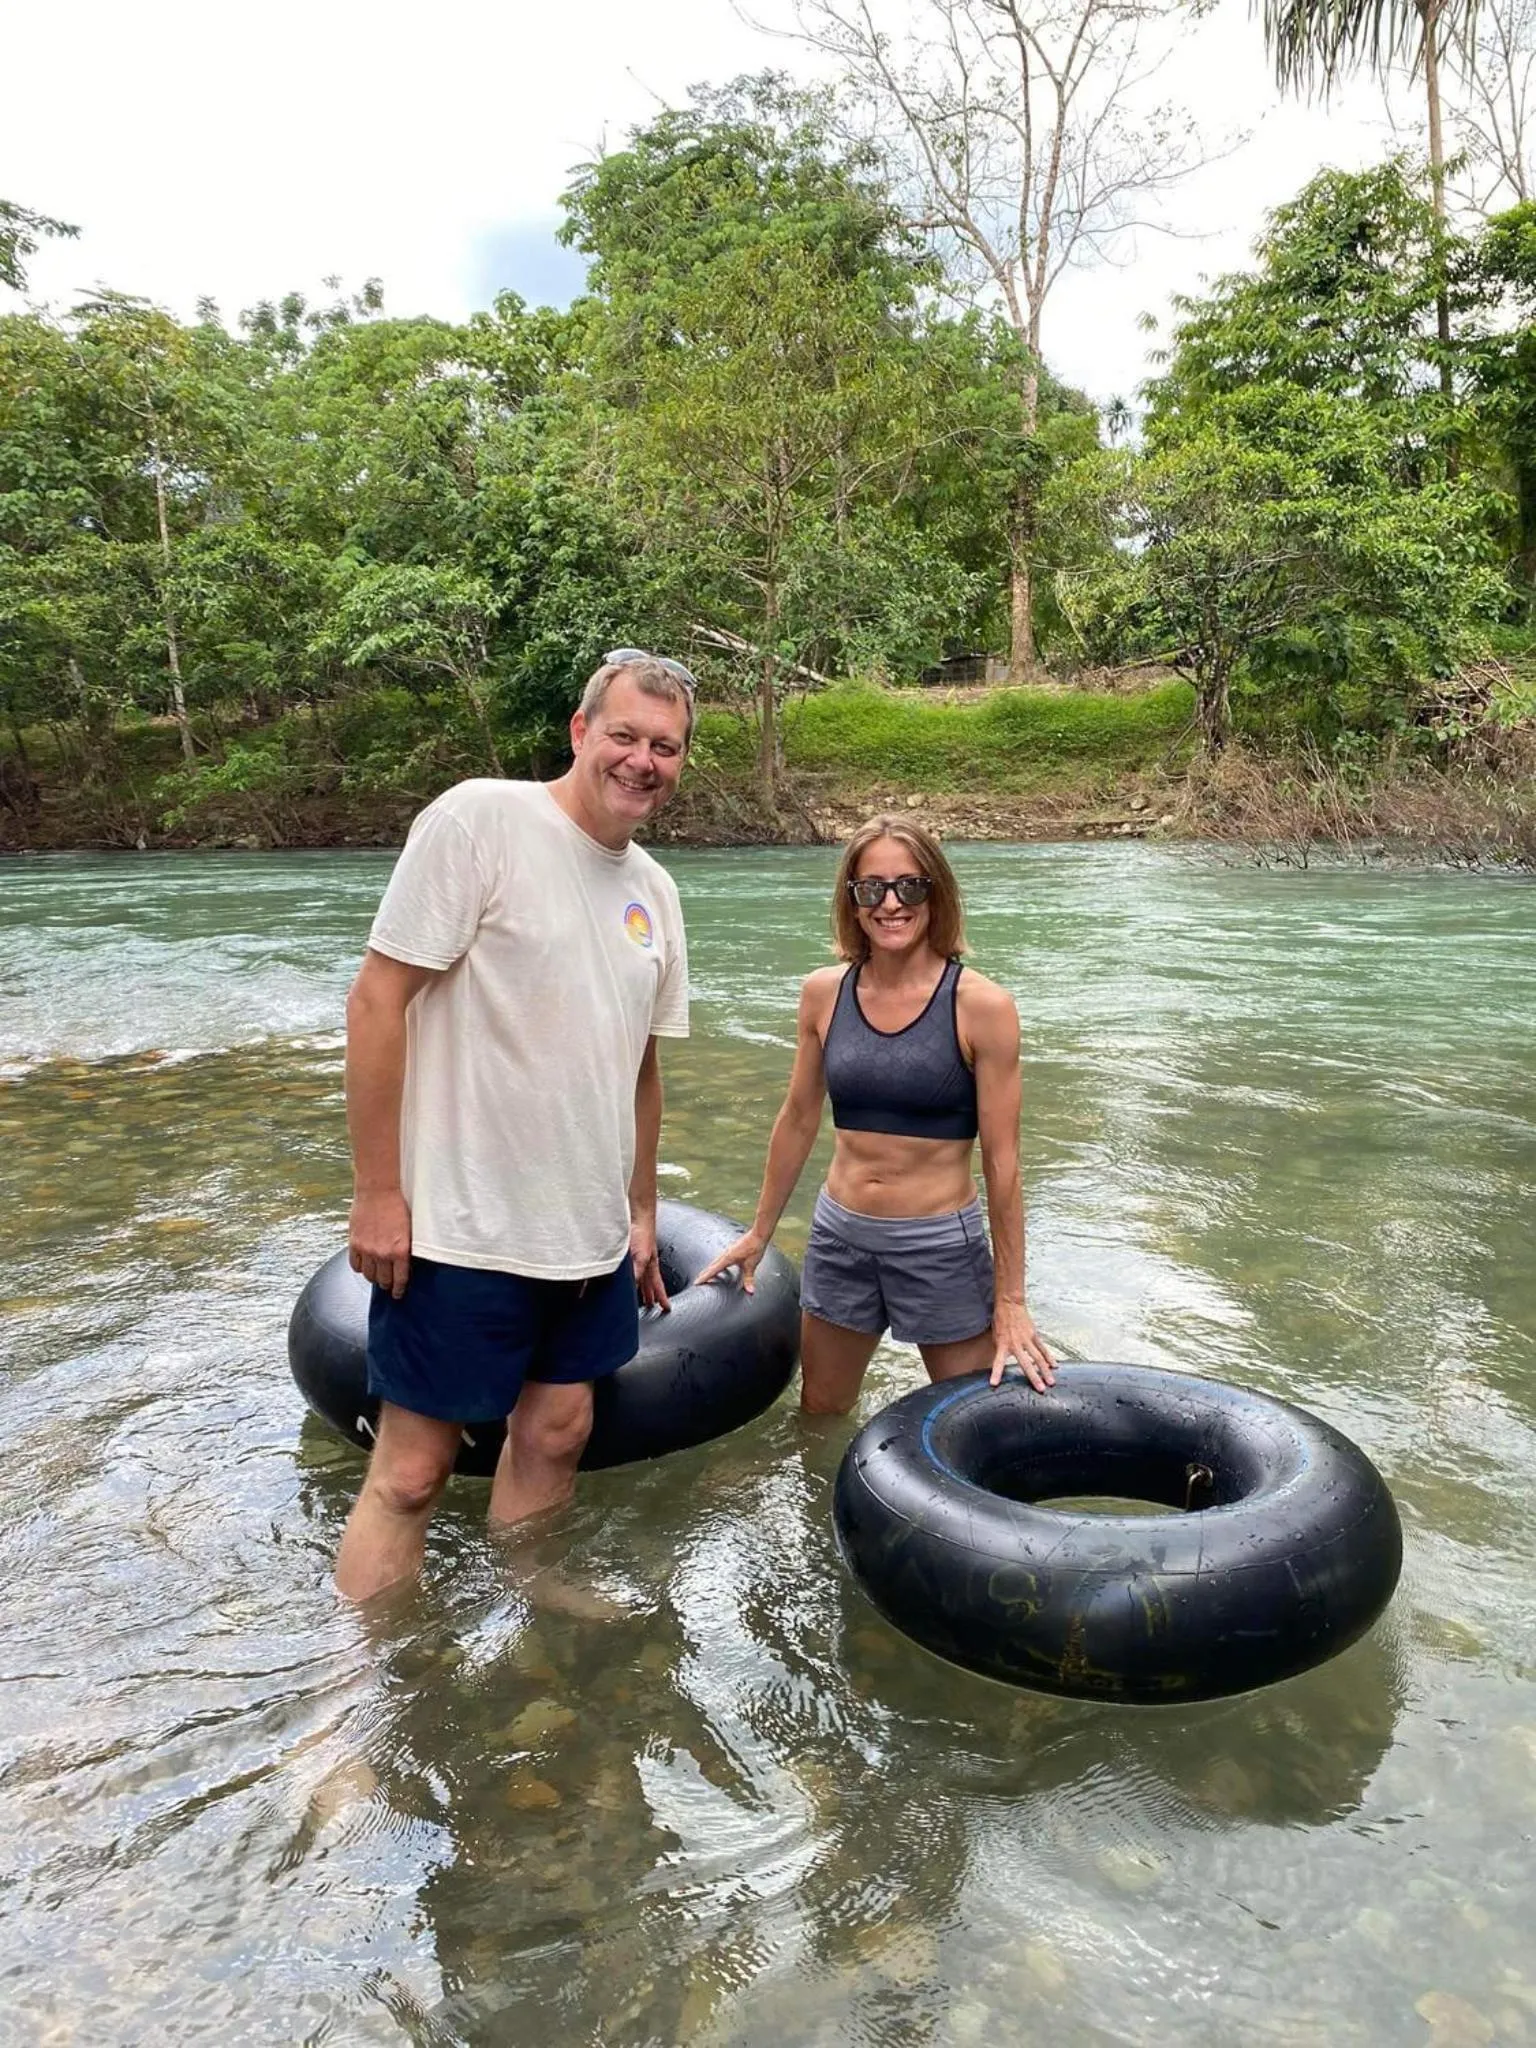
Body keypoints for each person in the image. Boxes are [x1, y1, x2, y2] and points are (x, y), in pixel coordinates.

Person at [333, 651, 695, 1601]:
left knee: (557, 1433)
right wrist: (376, 1193)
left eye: (665, 746)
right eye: (624, 735)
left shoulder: (655, 891)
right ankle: (357, 1690)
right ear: (580, 732)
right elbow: (376, 1001)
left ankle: (530, 1607)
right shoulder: (479, 820)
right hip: (464, 1226)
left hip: (584, 1234)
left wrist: (642, 1210)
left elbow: (641, 1064)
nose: (641, 761)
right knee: (412, 1475)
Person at [696, 815, 1054, 1412]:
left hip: (940, 1245)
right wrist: (760, 1232)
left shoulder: (982, 1006)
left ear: (935, 894)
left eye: (909, 886)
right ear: (852, 902)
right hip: (841, 1238)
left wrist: (1011, 1299)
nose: (891, 903)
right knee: (820, 1414)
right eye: (872, 888)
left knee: (961, 1419)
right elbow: (799, 1118)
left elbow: (1004, 1162)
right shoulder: (822, 992)